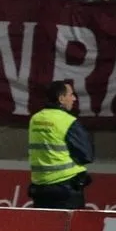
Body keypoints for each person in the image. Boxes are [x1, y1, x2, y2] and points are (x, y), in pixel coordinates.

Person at [27, 80, 94, 209]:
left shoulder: (35, 119)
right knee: (72, 228)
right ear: (61, 98)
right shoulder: (68, 121)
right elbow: (87, 155)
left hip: (40, 187)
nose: (74, 98)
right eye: (71, 95)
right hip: (66, 188)